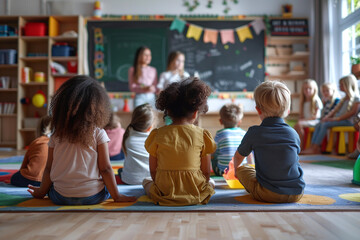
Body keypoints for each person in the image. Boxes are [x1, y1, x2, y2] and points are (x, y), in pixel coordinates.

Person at [27, 75, 136, 205]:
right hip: (92, 197)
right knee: (106, 185)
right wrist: (117, 196)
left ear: (62, 106)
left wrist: (41, 192)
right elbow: (106, 169)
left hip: (61, 197)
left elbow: (49, 168)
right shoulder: (98, 133)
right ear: (98, 108)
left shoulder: (56, 134)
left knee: (52, 186)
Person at [142, 77, 216, 206]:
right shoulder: (202, 135)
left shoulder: (157, 134)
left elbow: (153, 171)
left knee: (146, 181)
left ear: (168, 112)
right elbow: (206, 172)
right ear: (195, 114)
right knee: (212, 183)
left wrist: (161, 187)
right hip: (195, 190)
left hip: (165, 190)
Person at [234, 81, 305, 203]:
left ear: (258, 110)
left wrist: (236, 170)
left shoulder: (255, 132)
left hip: (267, 193)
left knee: (243, 170)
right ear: (288, 111)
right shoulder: (293, 133)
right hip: (297, 192)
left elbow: (239, 156)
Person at [302, 74, 360, 155]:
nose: (339, 86)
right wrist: (327, 118)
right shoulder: (343, 99)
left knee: (325, 124)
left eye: (341, 85)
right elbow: (333, 111)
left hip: (348, 122)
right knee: (319, 124)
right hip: (340, 120)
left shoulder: (356, 98)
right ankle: (312, 147)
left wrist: (335, 119)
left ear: (348, 85)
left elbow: (351, 113)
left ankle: (315, 147)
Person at [211, 103, 253, 176]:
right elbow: (249, 155)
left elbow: (213, 152)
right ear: (239, 122)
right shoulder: (244, 133)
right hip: (240, 172)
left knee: (212, 155)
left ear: (220, 121)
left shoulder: (219, 134)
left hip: (223, 172)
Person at [120, 103, 157, 185]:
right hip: (150, 180)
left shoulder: (128, 138)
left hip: (130, 180)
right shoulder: (155, 139)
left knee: (120, 170)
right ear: (150, 127)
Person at [10, 116, 51, 187]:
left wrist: (20, 172)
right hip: (46, 181)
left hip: (28, 179)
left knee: (13, 178)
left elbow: (24, 163)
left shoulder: (36, 142)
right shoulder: (57, 145)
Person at [294, 79, 323, 147]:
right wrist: (301, 120)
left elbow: (316, 116)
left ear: (314, 89)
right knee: (296, 126)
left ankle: (301, 146)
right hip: (306, 122)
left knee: (299, 125)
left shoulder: (316, 100)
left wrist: (303, 121)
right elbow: (301, 116)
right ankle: (298, 145)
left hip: (315, 121)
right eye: (305, 89)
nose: (307, 90)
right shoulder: (303, 101)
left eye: (310, 88)